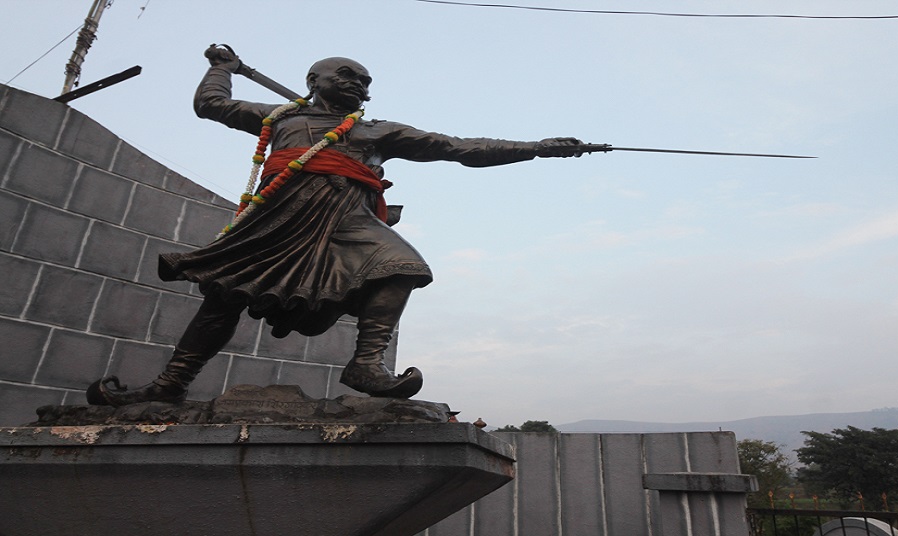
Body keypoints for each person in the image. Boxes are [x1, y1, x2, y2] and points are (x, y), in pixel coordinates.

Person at [87, 46, 582, 406]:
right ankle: (170, 385)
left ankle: (366, 364)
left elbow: (458, 148)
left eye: (365, 82)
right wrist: (222, 69)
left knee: (401, 265)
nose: (359, 85)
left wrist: (537, 147)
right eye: (347, 75)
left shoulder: (376, 131)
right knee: (225, 296)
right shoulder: (277, 116)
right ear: (314, 79)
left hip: (345, 220)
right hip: (278, 219)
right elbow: (210, 106)